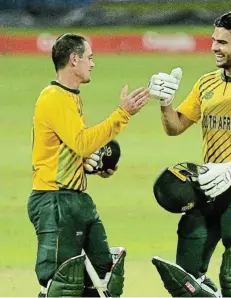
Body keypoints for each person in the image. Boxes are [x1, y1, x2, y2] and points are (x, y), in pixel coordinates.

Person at [148, 11, 231, 297]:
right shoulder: (206, 83)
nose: (214, 47)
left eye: (223, 42)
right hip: (207, 182)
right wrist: (165, 103)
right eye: (213, 40)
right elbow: (175, 127)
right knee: (186, 274)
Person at [28, 33, 150, 297]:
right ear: (74, 59)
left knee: (103, 271)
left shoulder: (70, 97)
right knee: (62, 281)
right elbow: (82, 143)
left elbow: (68, 151)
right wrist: (123, 114)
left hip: (73, 198)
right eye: (89, 58)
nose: (93, 64)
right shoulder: (54, 97)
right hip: (54, 199)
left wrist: (93, 166)